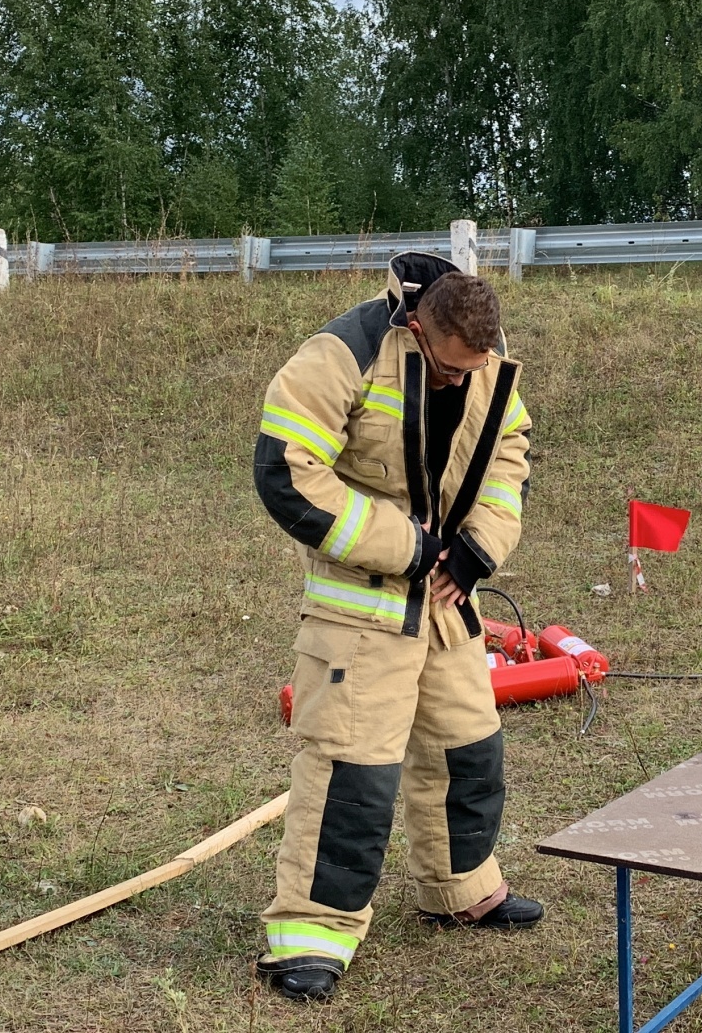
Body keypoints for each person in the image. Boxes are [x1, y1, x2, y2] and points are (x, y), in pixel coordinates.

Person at [251, 252, 541, 1003]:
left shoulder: (485, 356)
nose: (460, 380)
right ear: (417, 326)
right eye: (448, 370)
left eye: (473, 368)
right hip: (360, 608)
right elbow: (285, 469)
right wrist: (403, 544)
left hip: (447, 606)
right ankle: (311, 935)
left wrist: (477, 549)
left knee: (469, 752)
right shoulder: (343, 351)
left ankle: (462, 889)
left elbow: (510, 454)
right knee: (352, 774)